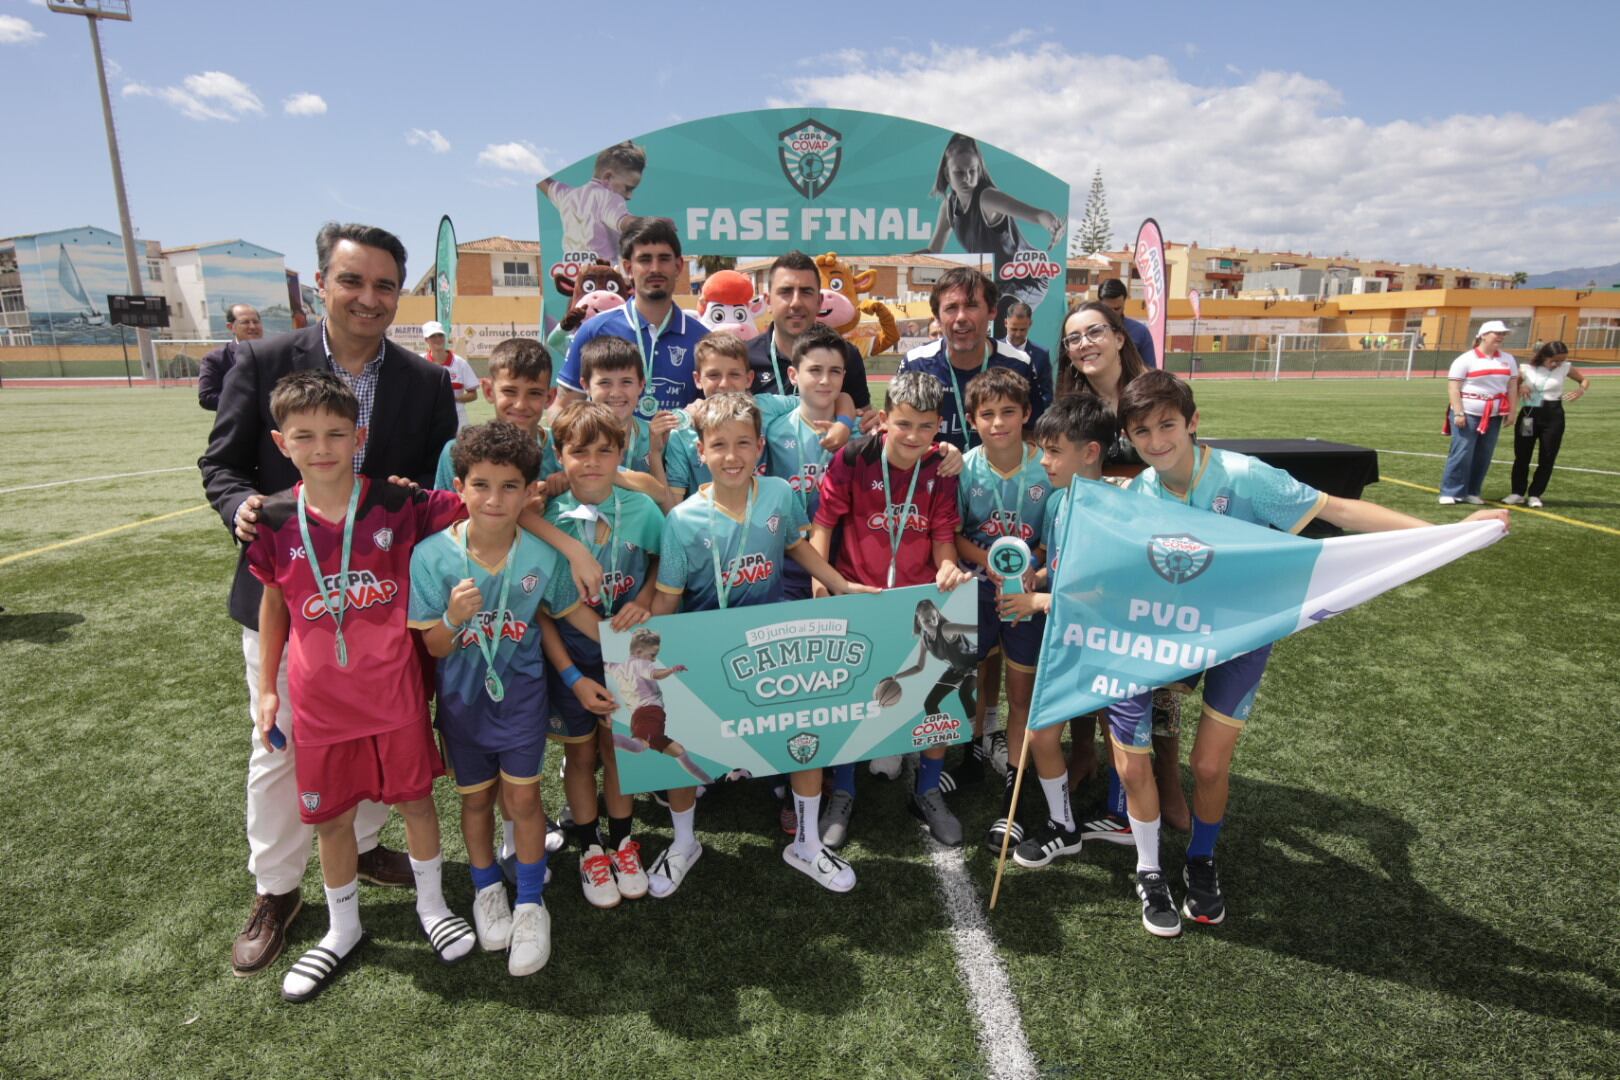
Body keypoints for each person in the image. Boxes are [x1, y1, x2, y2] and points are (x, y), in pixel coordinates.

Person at [1110, 369, 1509, 938]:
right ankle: (1149, 869)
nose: (1156, 441)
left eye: (1167, 425)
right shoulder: (1139, 494)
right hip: (1167, 634)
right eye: (1142, 431)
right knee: (1136, 759)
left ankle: (1200, 860)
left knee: (1208, 766)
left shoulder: (1243, 477)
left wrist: (1443, 534)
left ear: (1193, 422)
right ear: (1130, 436)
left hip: (1241, 636)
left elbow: (1340, 511)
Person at [200, 221, 457, 979]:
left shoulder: (428, 381)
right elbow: (220, 466)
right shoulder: (261, 359)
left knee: (387, 737)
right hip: (290, 600)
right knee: (280, 750)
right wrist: (242, 505)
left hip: (383, 603)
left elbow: (437, 482)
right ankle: (276, 890)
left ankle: (370, 845)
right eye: (353, 281)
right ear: (322, 284)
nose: (369, 298)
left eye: (385, 285)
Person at [246, 371, 475, 1001]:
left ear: (360, 435)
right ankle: (342, 928)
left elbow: (485, 500)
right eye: (305, 435)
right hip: (319, 706)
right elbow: (273, 606)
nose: (322, 446)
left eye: (336, 433)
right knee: (332, 821)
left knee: (416, 804)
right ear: (281, 440)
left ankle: (432, 907)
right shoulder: (268, 517)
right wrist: (267, 689)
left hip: (395, 696)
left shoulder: (398, 505)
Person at [650, 393, 871, 895]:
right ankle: (684, 841)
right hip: (704, 651)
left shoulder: (775, 493)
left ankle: (808, 843)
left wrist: (838, 583)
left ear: (760, 447)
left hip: (771, 648)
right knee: (678, 746)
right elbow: (667, 600)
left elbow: (795, 544)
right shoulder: (681, 520)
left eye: (743, 443)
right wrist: (639, 655)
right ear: (700, 451)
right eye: (720, 445)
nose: (733, 456)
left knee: (804, 735)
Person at [409, 421, 596, 976]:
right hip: (464, 707)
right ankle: (487, 888)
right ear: (459, 485)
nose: (495, 499)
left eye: (511, 486)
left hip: (522, 702)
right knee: (474, 802)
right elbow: (435, 646)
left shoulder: (541, 556)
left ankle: (532, 902)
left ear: (528, 490)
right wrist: (452, 617)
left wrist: (638, 638)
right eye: (482, 485)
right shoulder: (431, 557)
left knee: (524, 802)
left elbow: (575, 617)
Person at [809, 372, 975, 847]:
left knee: (935, 698)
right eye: (903, 424)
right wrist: (823, 579)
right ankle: (842, 790)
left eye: (926, 427)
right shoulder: (853, 457)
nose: (913, 436)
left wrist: (947, 570)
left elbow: (943, 541)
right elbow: (824, 523)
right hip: (858, 596)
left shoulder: (940, 469)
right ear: (883, 420)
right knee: (851, 697)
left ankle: (928, 790)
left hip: (919, 603)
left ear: (939, 426)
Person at [542, 401, 667, 909]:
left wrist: (643, 598)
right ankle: (590, 848)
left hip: (628, 661)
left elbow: (664, 561)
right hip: (572, 662)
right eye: (579, 452)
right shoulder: (543, 518)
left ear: (621, 453)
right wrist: (571, 674)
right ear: (559, 454)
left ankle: (622, 841)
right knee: (581, 753)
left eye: (604, 450)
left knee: (621, 749)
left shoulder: (641, 510)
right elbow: (545, 613)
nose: (592, 462)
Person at [997, 394, 1116, 868]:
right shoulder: (1059, 500)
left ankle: (1130, 821)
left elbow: (1108, 593)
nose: (1043, 461)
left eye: (1053, 451)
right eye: (1042, 450)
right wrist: (1035, 576)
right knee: (1042, 736)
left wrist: (1038, 601)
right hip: (1061, 641)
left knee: (1123, 744)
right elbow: (1055, 563)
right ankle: (1063, 826)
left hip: (1105, 647)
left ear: (1089, 452)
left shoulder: (1117, 512)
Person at [952, 367, 1053, 852]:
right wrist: (986, 564)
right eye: (987, 415)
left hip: (1026, 594)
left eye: (1008, 412)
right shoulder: (963, 468)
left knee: (1021, 688)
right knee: (969, 675)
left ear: (1026, 414)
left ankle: (1013, 791)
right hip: (977, 588)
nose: (998, 423)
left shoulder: (1045, 470)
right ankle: (972, 751)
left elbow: (1052, 541)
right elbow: (951, 535)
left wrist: (1032, 565)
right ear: (973, 420)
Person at [558, 217, 709, 417]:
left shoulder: (703, 339)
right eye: (645, 259)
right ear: (628, 268)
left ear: (679, 266)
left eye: (664, 259)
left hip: (679, 449)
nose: (655, 268)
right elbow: (563, 408)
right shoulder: (593, 330)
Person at [923, 133, 1064, 321]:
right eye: (959, 172)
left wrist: (1050, 222)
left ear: (979, 170)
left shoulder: (987, 198)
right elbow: (933, 250)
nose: (967, 178)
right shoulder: (949, 206)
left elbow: (1035, 214)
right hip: (996, 283)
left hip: (1027, 279)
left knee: (1004, 317)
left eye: (972, 171)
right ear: (947, 174)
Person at [897, 268, 1036, 450]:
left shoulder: (1019, 363)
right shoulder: (915, 363)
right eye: (951, 308)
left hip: (994, 477)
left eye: (971, 306)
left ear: (992, 311)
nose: (961, 317)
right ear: (937, 317)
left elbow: (1030, 432)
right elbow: (897, 429)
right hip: (935, 475)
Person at [745, 250, 872, 411]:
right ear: (768, 301)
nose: (796, 303)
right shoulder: (745, 357)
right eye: (786, 292)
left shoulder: (846, 355)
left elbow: (863, 416)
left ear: (819, 302)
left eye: (806, 292)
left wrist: (870, 421)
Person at [432, 338, 561, 496]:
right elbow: (444, 514)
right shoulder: (457, 451)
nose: (520, 404)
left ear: (549, 397)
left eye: (534, 393)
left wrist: (569, 479)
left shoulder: (566, 449)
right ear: (488, 391)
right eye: (509, 391)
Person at [1440, 319, 1520, 506]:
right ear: (1483, 335)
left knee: (1484, 454)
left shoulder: (1508, 359)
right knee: (1462, 451)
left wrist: (1512, 411)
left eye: (1502, 334)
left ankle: (1472, 491)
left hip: (1494, 414)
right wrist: (1459, 412)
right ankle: (1451, 490)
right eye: (1496, 333)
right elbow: (1454, 387)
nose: (1500, 337)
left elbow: (1512, 385)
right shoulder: (1466, 359)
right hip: (1468, 411)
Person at [1505, 340, 1591, 508]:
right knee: (1522, 454)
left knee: (1547, 456)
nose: (1557, 364)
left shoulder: (1565, 367)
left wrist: (1581, 390)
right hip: (1529, 414)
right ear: (1544, 355)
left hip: (1553, 415)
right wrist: (1521, 387)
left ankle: (1535, 494)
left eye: (1561, 360)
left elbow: (1584, 380)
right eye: (1555, 360)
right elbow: (1512, 386)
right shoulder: (1526, 368)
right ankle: (1517, 493)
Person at [539, 140, 645, 266]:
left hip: (574, 274)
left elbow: (547, 185)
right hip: (605, 276)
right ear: (607, 178)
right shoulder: (609, 198)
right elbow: (624, 222)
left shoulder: (568, 195)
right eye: (628, 188)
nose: (629, 196)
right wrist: (654, 223)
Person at [198, 304, 264, 411]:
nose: (252, 326)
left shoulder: (279, 352)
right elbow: (207, 397)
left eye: (256, 322)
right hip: (240, 424)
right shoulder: (216, 359)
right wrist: (250, 401)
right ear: (231, 327)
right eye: (245, 322)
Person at [421, 320, 479, 428]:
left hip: (457, 419)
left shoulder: (460, 363)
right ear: (426, 339)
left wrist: (454, 399)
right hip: (428, 419)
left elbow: (473, 395)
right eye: (433, 336)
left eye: (440, 335)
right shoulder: (419, 362)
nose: (438, 339)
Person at [1001, 301, 1053, 421]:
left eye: (1023, 329)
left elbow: (1047, 393)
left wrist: (1030, 413)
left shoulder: (1041, 355)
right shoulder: (992, 351)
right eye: (1013, 329)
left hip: (1029, 424)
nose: (1018, 334)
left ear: (1030, 324)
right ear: (1005, 323)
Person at [1097, 278, 1158, 370]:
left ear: (1125, 302)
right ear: (1099, 304)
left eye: (1117, 309)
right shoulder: (1088, 331)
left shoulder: (1140, 332)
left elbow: (1150, 372)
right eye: (1108, 309)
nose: (1112, 313)